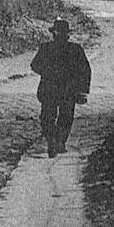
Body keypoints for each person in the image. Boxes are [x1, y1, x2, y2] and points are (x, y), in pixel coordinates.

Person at [30, 18, 91, 157]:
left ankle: (51, 139)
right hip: (68, 90)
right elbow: (85, 70)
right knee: (66, 116)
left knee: (47, 116)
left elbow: (34, 65)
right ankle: (60, 142)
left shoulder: (46, 48)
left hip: (49, 88)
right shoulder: (75, 49)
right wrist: (82, 90)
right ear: (67, 35)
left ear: (54, 34)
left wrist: (47, 72)